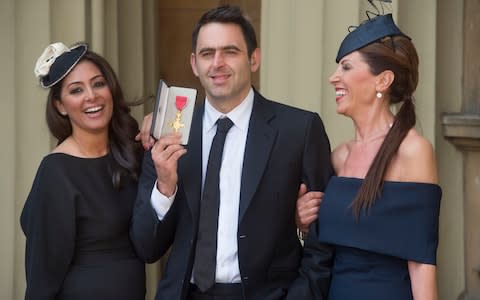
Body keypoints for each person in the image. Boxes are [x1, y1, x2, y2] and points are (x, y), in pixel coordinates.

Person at [130, 5, 333, 300]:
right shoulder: (167, 135)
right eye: (207, 53)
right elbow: (146, 248)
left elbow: (323, 240)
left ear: (254, 59)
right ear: (194, 63)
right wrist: (165, 186)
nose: (217, 63)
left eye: (230, 51)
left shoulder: (298, 130)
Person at [293, 12, 442, 300]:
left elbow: (422, 264)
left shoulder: (413, 151)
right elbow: (326, 249)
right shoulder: (338, 156)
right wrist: (303, 222)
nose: (333, 78)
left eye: (346, 67)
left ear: (382, 80)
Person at [20, 42, 145, 300]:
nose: (91, 95)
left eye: (98, 83)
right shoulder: (55, 173)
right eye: (76, 90)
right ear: (60, 106)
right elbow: (42, 275)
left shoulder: (130, 153)